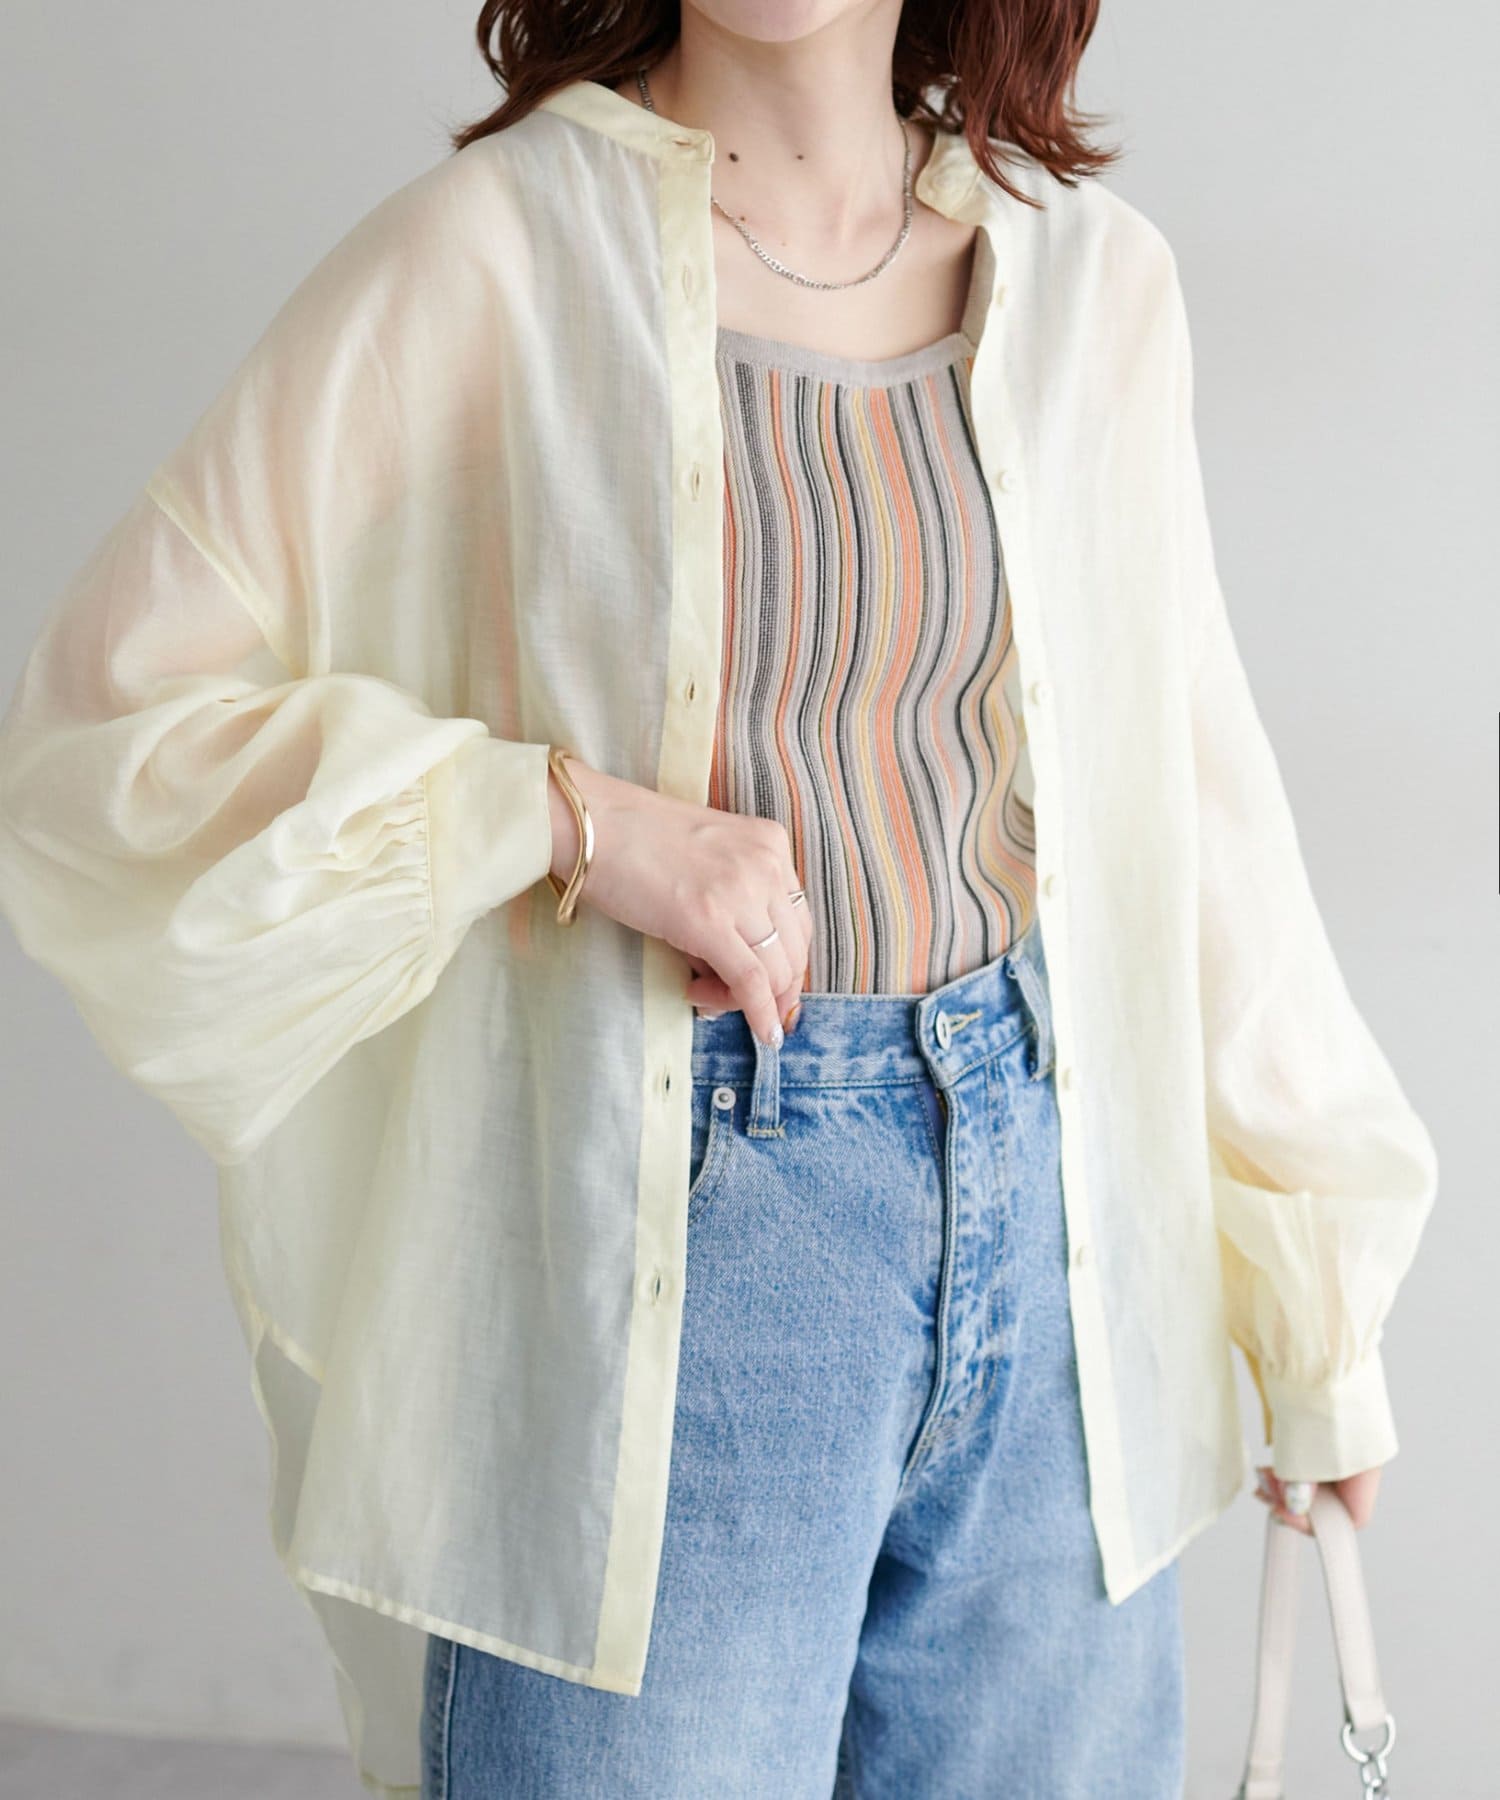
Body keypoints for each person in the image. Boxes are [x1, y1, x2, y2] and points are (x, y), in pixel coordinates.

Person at [0, 3, 1439, 1796]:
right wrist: (568, 819)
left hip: (1062, 1250)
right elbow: (106, 725)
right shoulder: (494, 255)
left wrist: (1316, 1312)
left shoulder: (1092, 280)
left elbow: (1196, 802)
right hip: (687, 1255)